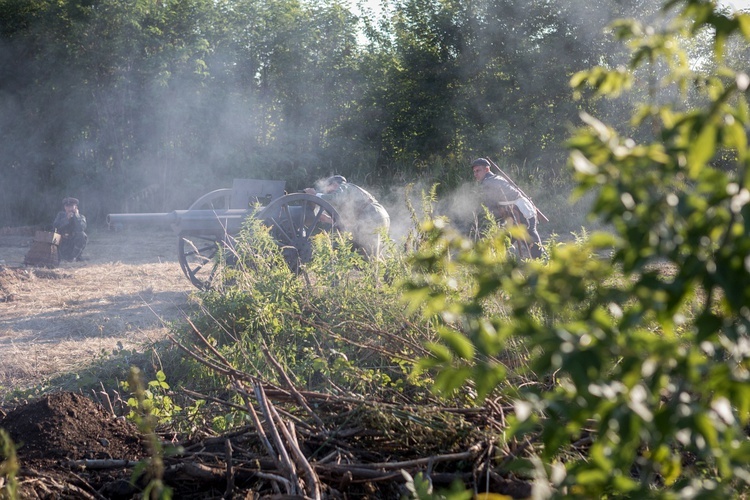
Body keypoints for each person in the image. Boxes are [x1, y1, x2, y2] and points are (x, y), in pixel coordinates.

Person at [471, 158, 545, 259]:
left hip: (520, 212)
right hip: (517, 212)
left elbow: (491, 205)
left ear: (487, 169)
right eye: (474, 171)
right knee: (505, 239)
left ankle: (543, 264)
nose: (475, 174)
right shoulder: (496, 178)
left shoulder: (488, 182)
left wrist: (490, 221)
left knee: (531, 242)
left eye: (478, 170)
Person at [305, 175, 390, 259]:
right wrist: (327, 219)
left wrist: (315, 195)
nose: (327, 192)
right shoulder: (349, 194)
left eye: (328, 188)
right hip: (380, 215)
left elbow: (335, 198)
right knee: (374, 253)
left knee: (368, 253)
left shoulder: (343, 187)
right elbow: (347, 222)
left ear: (334, 184)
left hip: (371, 216)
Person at [53, 197, 88, 261]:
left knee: (82, 235)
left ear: (76, 207)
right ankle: (57, 255)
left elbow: (81, 228)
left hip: (73, 244)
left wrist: (76, 216)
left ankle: (73, 257)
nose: (69, 209)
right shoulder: (61, 215)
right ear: (64, 207)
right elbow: (55, 225)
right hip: (62, 242)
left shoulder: (81, 217)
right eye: (67, 206)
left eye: (71, 206)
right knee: (55, 234)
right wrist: (66, 219)